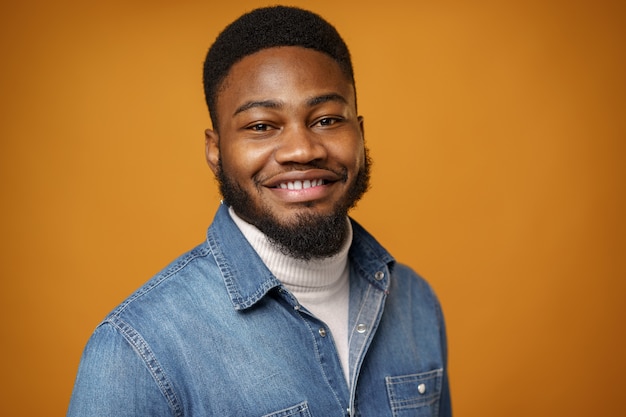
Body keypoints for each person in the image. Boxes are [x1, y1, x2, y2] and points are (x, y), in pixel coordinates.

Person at [67, 5, 452, 417]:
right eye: (261, 126)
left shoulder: (414, 302)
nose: (303, 150)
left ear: (360, 132)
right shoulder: (138, 348)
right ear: (215, 151)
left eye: (325, 120)